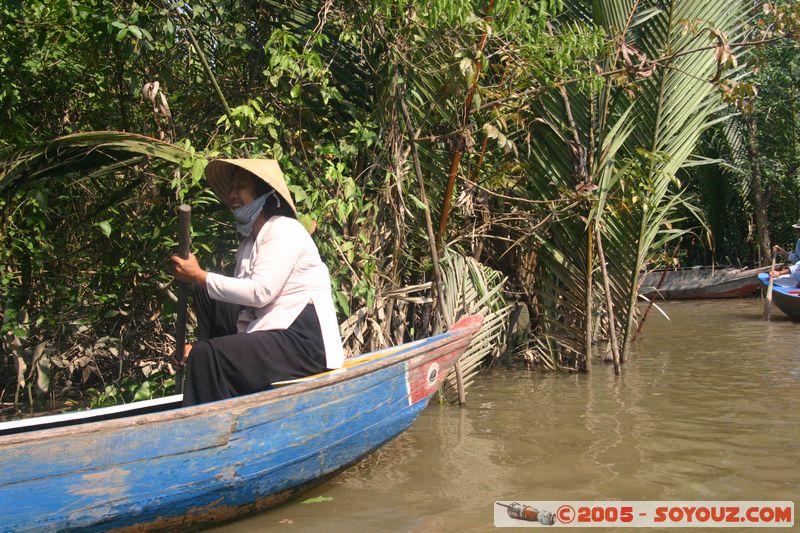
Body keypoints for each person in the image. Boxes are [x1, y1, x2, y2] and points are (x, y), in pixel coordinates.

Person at [170, 159, 344, 406]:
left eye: (241, 187)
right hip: (271, 329)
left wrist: (200, 275)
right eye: (232, 189)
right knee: (206, 296)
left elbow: (261, 293)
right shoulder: (248, 244)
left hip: (303, 341)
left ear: (264, 195)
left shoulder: (285, 229)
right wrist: (201, 285)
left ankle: (202, 419)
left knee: (207, 352)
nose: (233, 195)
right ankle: (205, 358)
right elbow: (243, 302)